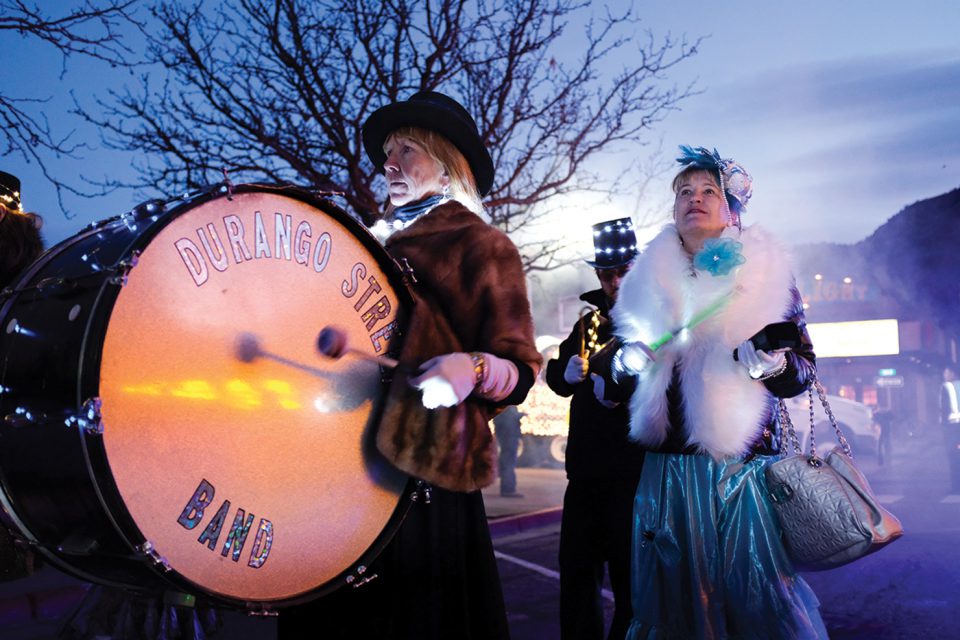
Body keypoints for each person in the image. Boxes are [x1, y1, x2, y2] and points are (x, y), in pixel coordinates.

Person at [279, 91, 541, 639]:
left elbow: (520, 368)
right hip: (341, 466)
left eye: (407, 151)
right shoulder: (363, 248)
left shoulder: (482, 245)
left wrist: (472, 370)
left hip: (424, 471)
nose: (389, 164)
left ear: (446, 169)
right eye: (388, 154)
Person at [609, 146, 828, 638]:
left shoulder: (764, 274)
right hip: (665, 473)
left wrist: (771, 364)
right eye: (684, 191)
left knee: (751, 596)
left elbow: (803, 372)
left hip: (739, 472)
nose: (695, 198)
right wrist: (624, 363)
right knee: (671, 603)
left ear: (731, 209)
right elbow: (616, 369)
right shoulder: (643, 279)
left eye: (709, 190)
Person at [545, 217, 645, 640]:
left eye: (623, 271)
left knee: (630, 585)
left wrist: (625, 390)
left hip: (633, 478)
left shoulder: (656, 322)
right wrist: (563, 373)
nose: (614, 281)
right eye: (606, 274)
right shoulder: (586, 324)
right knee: (577, 577)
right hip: (585, 476)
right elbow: (555, 379)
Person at [494, 405, 525, 497]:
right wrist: (518, 415)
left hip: (506, 434)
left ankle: (507, 488)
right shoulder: (508, 406)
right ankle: (508, 489)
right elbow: (509, 417)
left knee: (507, 460)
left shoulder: (502, 405)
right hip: (509, 435)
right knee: (509, 461)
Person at [940, 367, 960, 493]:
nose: (944, 375)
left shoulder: (946, 387)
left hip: (953, 428)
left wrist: (942, 426)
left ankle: (956, 487)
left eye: (946, 373)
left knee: (954, 457)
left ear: (952, 374)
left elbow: (944, 408)